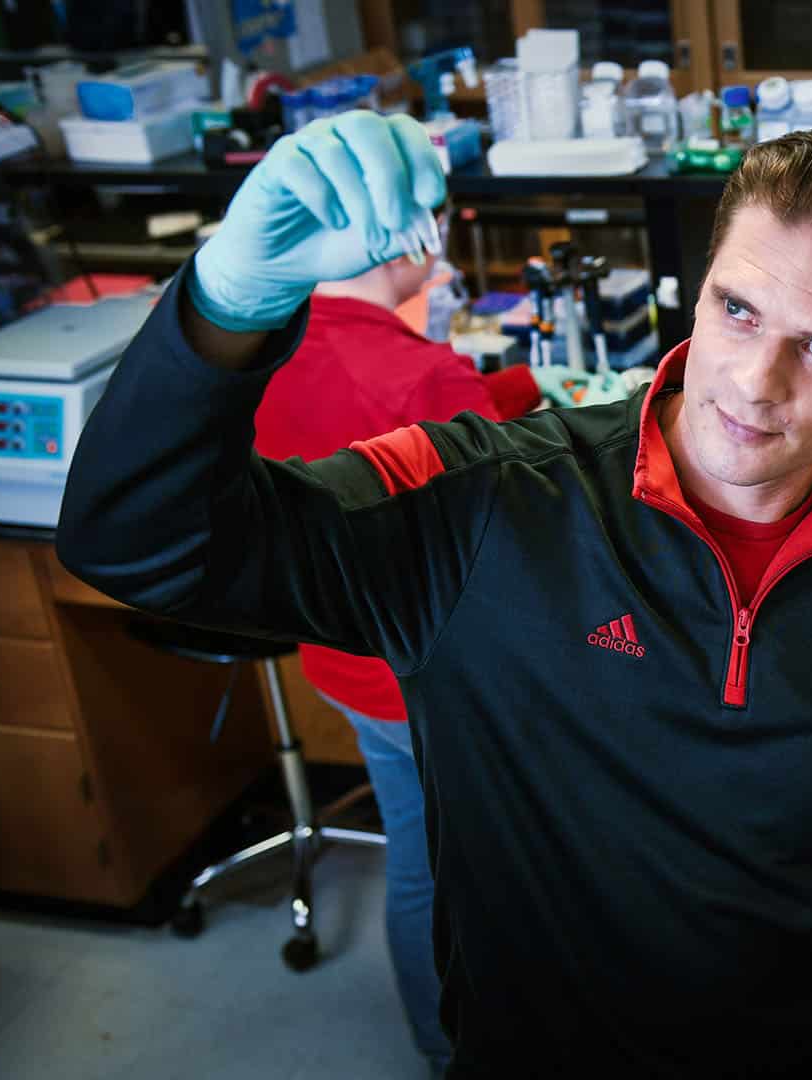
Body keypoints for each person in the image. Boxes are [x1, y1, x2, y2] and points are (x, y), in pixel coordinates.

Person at [56, 113, 812, 1076]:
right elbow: (136, 542)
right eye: (738, 311)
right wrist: (225, 303)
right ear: (700, 287)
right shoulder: (483, 504)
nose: (757, 382)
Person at [250, 238, 542, 1077]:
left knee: (419, 843)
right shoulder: (420, 371)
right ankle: (453, 1045)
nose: (444, 253)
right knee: (450, 861)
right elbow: (514, 527)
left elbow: (379, 444)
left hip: (340, 653)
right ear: (403, 240)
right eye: (436, 229)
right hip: (425, 673)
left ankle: (438, 1033)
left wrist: (520, 393)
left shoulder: (275, 341)